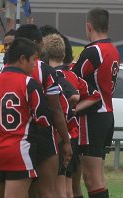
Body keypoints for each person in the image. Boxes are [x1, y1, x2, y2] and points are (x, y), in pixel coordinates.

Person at [0, 38, 51, 198]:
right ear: (22, 59)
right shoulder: (30, 83)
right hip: (19, 152)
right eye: (33, 60)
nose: (35, 64)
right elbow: (43, 120)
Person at [15, 24, 72, 198]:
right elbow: (56, 108)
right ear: (34, 43)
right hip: (42, 135)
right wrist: (67, 141)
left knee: (27, 191)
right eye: (41, 44)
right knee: (48, 191)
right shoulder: (43, 69)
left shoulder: (4, 71)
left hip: (16, 136)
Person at [42, 33, 102, 198]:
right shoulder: (73, 75)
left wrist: (67, 108)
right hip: (73, 135)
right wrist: (74, 109)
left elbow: (73, 96)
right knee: (68, 186)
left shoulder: (54, 75)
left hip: (61, 136)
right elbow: (95, 95)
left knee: (60, 186)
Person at [71, 7, 120, 198]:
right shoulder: (113, 50)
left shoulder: (93, 52)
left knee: (91, 179)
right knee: (98, 175)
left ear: (88, 26)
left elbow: (72, 79)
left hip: (92, 116)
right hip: (107, 115)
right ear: (107, 26)